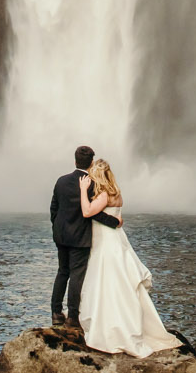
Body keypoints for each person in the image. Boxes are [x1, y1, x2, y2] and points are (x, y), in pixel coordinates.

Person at [76, 158, 183, 357]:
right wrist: (116, 221)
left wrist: (83, 190)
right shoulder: (117, 194)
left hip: (106, 243)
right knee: (119, 281)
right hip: (116, 240)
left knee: (107, 281)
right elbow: (109, 217)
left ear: (97, 176)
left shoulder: (104, 195)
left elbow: (87, 211)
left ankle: (112, 325)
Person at [48, 144, 117, 328]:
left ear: (75, 161)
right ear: (91, 162)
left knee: (62, 272)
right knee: (77, 276)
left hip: (61, 235)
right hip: (80, 237)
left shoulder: (61, 181)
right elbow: (93, 212)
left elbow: (54, 208)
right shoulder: (93, 184)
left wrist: (57, 226)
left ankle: (55, 313)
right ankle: (72, 317)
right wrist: (114, 222)